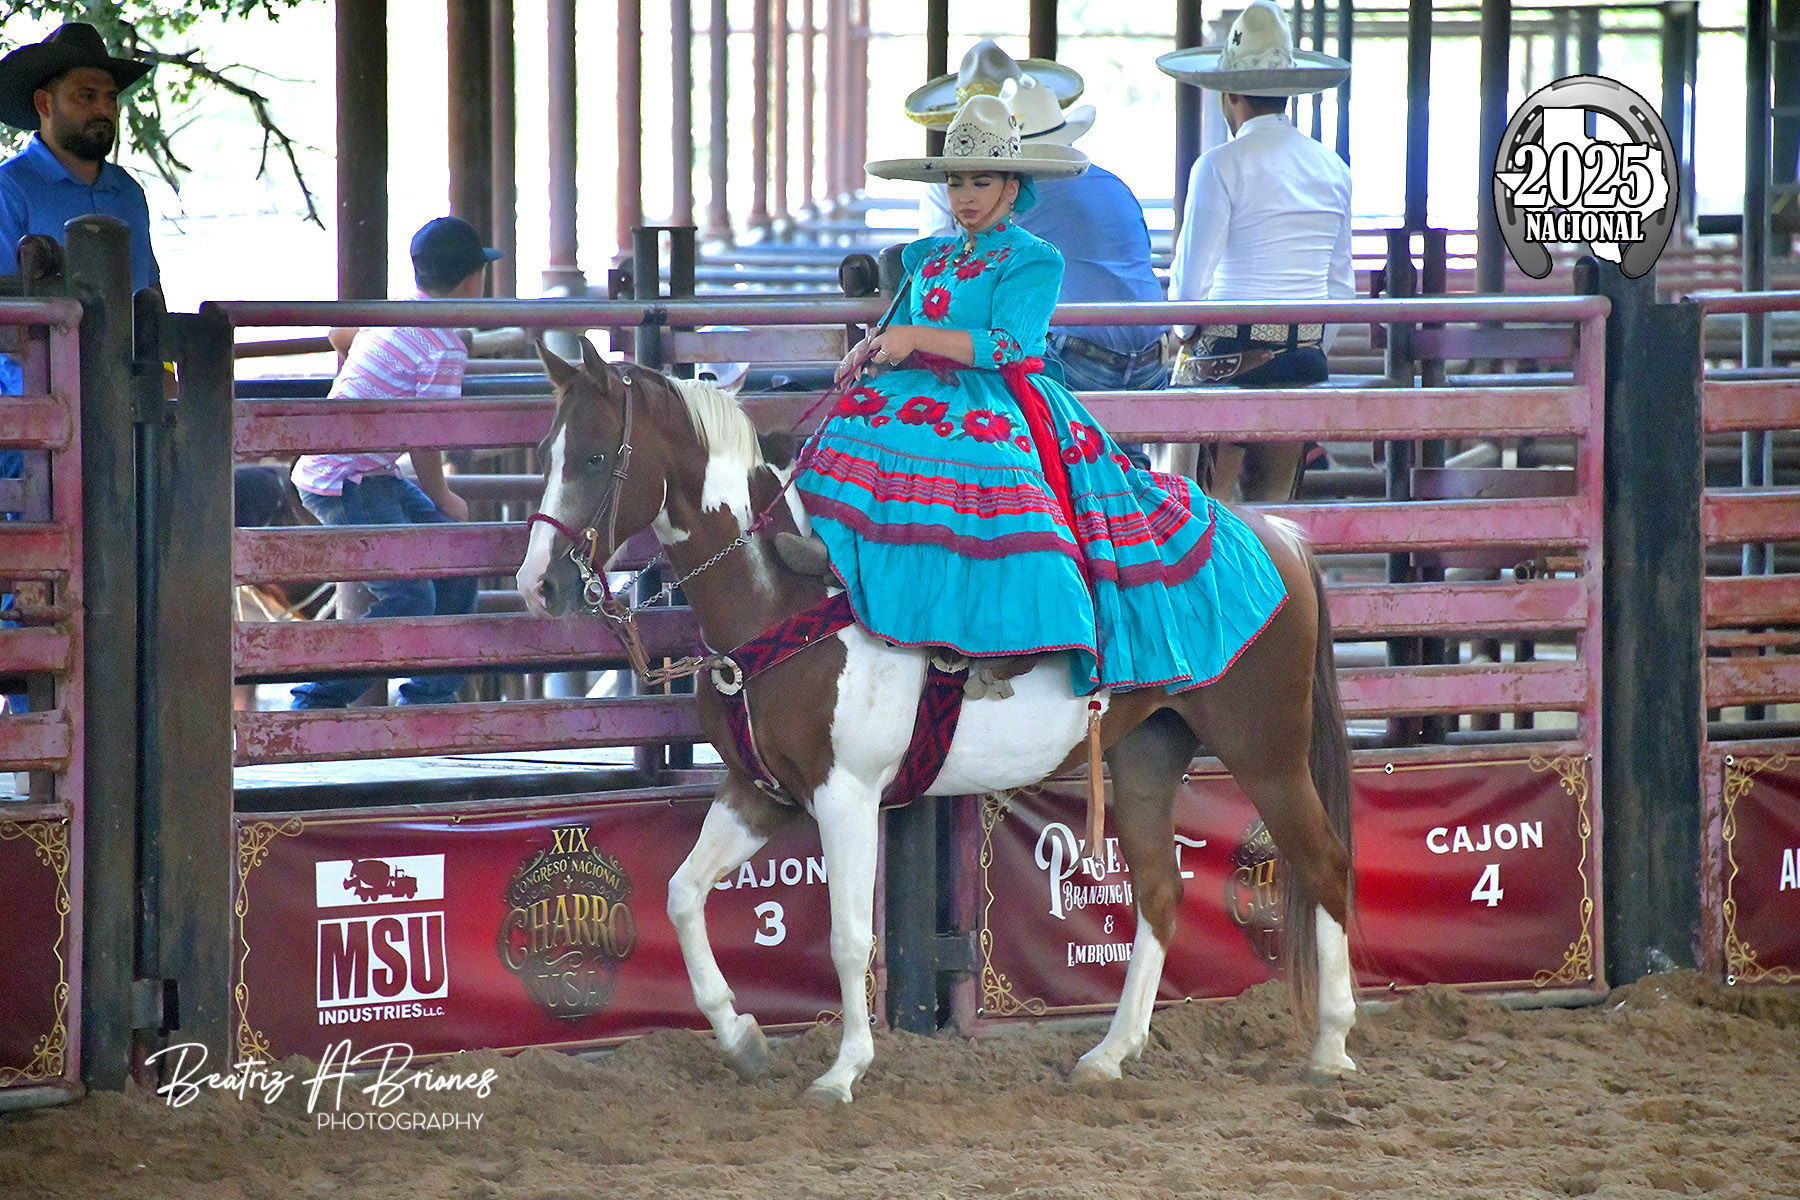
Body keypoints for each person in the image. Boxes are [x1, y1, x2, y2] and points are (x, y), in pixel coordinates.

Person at [788, 95, 1287, 699]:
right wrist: (869, 350)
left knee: (987, 468)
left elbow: (1008, 344)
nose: (966, 195)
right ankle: (843, 569)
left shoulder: (1034, 259)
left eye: (981, 181)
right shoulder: (930, 255)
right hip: (914, 389)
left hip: (996, 395)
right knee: (848, 428)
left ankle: (1007, 640)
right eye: (956, 182)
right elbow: (902, 319)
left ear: (1012, 187)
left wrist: (915, 338)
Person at [286, 217, 499, 710]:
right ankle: (315, 701)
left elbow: (340, 335)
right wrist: (444, 497)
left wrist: (364, 379)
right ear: (473, 280)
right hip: (345, 482)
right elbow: (426, 435)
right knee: (410, 596)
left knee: (456, 565)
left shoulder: (391, 314)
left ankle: (429, 697)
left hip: (363, 472)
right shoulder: (444, 348)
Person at [1161, 1, 1354, 503]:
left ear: (1230, 95)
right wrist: (1309, 344)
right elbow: (1341, 287)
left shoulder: (1219, 165)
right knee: (1276, 512)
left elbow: (1190, 287)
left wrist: (1182, 334)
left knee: (1200, 507)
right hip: (1304, 361)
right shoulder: (1333, 168)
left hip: (1227, 359)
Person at [911, 43, 1166, 399]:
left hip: (1070, 355)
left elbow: (953, 284)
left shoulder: (1009, 199)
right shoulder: (1114, 184)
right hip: (1152, 359)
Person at [0, 22, 159, 294]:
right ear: (44, 104)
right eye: (86, 96)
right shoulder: (9, 190)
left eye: (111, 98)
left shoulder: (128, 191)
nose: (103, 109)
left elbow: (150, 295)